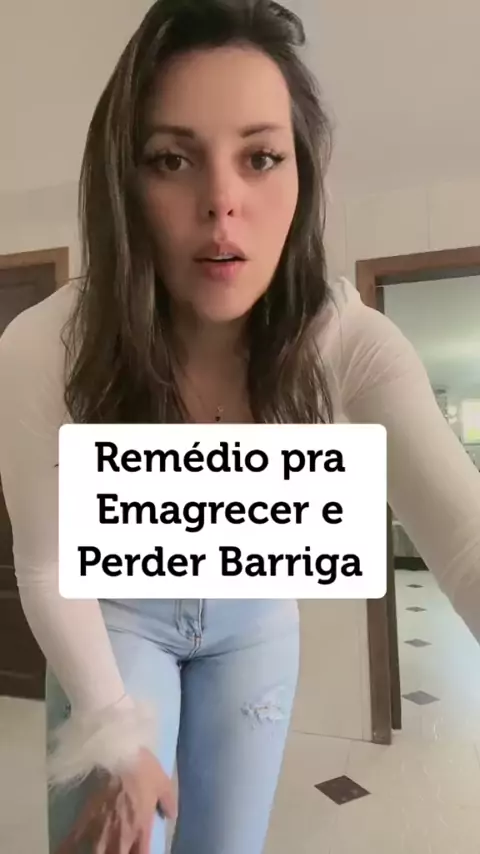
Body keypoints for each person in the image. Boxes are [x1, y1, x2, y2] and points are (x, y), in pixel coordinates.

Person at [0, 1, 479, 852]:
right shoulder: (44, 347)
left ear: (302, 174)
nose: (222, 204)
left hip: (254, 623)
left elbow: (467, 543)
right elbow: (43, 563)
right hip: (114, 614)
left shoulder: (348, 340)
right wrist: (114, 735)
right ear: (123, 182)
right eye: (172, 159)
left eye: (260, 158)